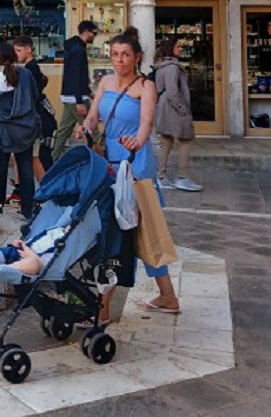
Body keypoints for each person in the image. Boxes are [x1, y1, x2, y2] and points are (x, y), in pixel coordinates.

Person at [77, 32, 180, 317]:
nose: (119, 60)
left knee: (136, 230)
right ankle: (167, 296)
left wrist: (137, 140)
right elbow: (93, 116)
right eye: (114, 54)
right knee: (124, 230)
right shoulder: (105, 83)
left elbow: (147, 121)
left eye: (125, 54)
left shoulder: (146, 86)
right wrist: (85, 127)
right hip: (109, 161)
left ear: (137, 57)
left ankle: (104, 309)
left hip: (136, 162)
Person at [0, 43, 40, 220]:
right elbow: (35, 96)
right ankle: (28, 209)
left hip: (5, 130)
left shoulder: (0, 78)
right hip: (24, 128)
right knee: (26, 169)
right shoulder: (26, 74)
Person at [152, 37, 202, 192]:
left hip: (164, 106)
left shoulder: (161, 65)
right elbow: (173, 92)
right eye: (178, 46)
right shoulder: (172, 67)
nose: (181, 48)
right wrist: (182, 110)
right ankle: (182, 177)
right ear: (170, 48)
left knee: (166, 141)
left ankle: (161, 177)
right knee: (186, 139)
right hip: (173, 107)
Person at [52, 20, 98, 162]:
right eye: (94, 33)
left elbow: (76, 75)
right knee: (93, 131)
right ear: (87, 32)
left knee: (64, 130)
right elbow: (77, 75)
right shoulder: (79, 50)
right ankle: (98, 160)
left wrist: (88, 91)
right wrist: (80, 100)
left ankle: (52, 159)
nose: (94, 36)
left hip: (69, 95)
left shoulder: (73, 47)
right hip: (76, 97)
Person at [13, 35, 54, 178]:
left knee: (38, 156)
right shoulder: (30, 68)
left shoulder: (30, 70)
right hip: (37, 115)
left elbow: (31, 95)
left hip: (37, 116)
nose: (16, 54)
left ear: (29, 50)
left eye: (19, 50)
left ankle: (47, 186)